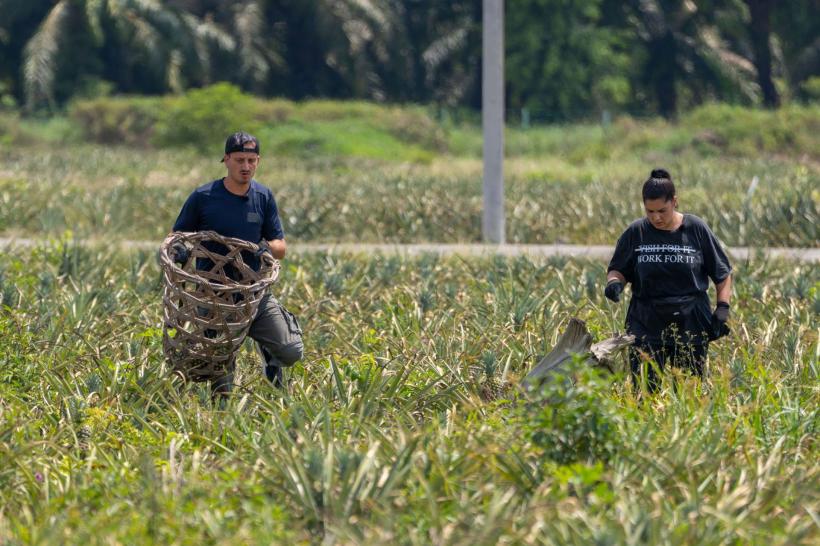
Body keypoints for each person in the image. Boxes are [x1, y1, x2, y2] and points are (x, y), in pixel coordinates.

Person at [171, 131, 303, 394]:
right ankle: (221, 418)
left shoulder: (263, 196)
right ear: (226, 159)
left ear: (258, 161)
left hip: (254, 294)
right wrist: (180, 252)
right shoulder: (204, 196)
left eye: (252, 160)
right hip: (213, 296)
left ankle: (270, 359)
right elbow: (177, 237)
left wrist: (262, 248)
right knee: (218, 373)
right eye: (240, 160)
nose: (246, 167)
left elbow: (280, 246)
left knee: (291, 351)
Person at [605, 168, 732, 390]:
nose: (656, 217)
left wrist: (722, 307)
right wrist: (614, 284)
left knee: (688, 392)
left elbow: (722, 273)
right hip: (646, 323)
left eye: (662, 210)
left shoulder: (695, 229)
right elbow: (618, 269)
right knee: (644, 391)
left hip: (690, 323)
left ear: (675, 202)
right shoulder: (637, 232)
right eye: (649, 211)